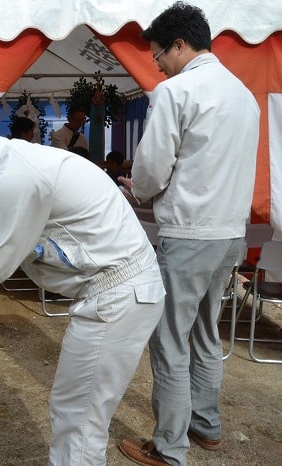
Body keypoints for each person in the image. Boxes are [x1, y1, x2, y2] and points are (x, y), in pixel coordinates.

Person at [0, 105, 165, 465]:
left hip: (118, 293)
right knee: (75, 410)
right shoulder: (19, 161)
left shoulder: (14, 176)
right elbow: (0, 247)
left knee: (79, 418)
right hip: (118, 289)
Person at [117, 3, 260, 465]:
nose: (156, 64)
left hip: (188, 233)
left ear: (180, 45)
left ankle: (169, 447)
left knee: (170, 340)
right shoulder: (244, 95)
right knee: (204, 333)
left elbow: (152, 170)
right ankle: (206, 426)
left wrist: (136, 188)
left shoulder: (176, 91)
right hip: (229, 235)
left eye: (159, 54)